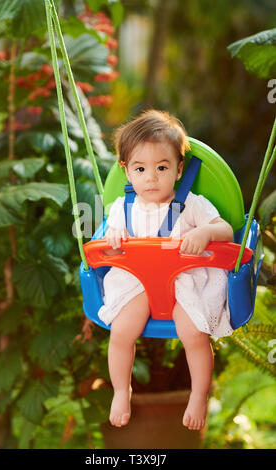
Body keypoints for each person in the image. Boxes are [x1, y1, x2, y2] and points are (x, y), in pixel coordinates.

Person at [98, 110, 234, 431]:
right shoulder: (122, 207)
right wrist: (114, 236)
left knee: (194, 334)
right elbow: (109, 239)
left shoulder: (192, 204)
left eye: (162, 167)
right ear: (126, 171)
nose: (151, 177)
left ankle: (199, 394)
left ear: (178, 169)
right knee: (120, 333)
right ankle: (121, 390)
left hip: (186, 282)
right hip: (139, 284)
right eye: (140, 169)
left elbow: (225, 230)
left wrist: (205, 233)